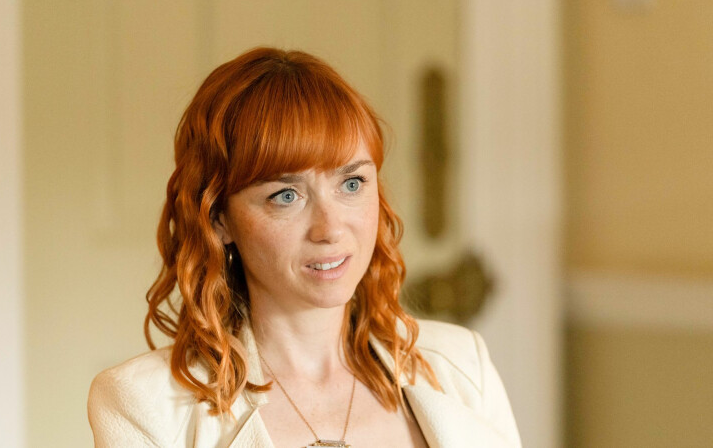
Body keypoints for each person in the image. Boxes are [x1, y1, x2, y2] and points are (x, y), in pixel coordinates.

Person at [88, 47, 521, 448]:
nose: (330, 229)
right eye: (286, 195)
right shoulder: (142, 405)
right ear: (219, 219)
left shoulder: (463, 366)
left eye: (351, 183)